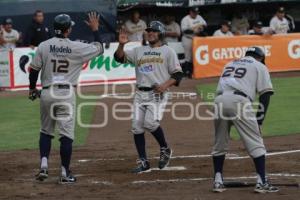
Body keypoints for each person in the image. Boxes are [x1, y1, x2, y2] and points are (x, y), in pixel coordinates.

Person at [28, 12, 104, 184]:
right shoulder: (76, 47)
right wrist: (95, 29)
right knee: (66, 136)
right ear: (68, 30)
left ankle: (44, 165)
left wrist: (32, 88)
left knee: (46, 131)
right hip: (65, 94)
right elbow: (100, 48)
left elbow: (33, 70)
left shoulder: (44, 45)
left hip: (47, 92)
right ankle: (64, 172)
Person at [114, 21, 183, 173]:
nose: (150, 33)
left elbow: (178, 74)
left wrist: (164, 86)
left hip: (157, 93)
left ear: (160, 34)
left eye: (154, 31)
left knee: (150, 123)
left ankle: (165, 148)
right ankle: (143, 162)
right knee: (137, 127)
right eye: (149, 31)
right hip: (140, 93)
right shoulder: (139, 50)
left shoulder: (168, 51)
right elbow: (119, 58)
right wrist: (121, 45)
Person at [211, 47, 279, 193]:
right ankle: (262, 182)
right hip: (238, 101)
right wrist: (259, 121)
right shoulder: (259, 66)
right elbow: (265, 95)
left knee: (220, 142)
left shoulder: (229, 64)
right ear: (260, 57)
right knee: (255, 142)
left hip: (219, 101)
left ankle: (217, 181)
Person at [181, 7, 207, 78]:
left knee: (196, 55)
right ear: (190, 12)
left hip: (197, 39)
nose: (195, 14)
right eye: (194, 12)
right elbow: (184, 30)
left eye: (196, 12)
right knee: (188, 56)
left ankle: (194, 71)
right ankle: (187, 72)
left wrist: (201, 27)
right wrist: (193, 31)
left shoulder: (199, 17)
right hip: (188, 38)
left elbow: (205, 24)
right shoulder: (185, 19)